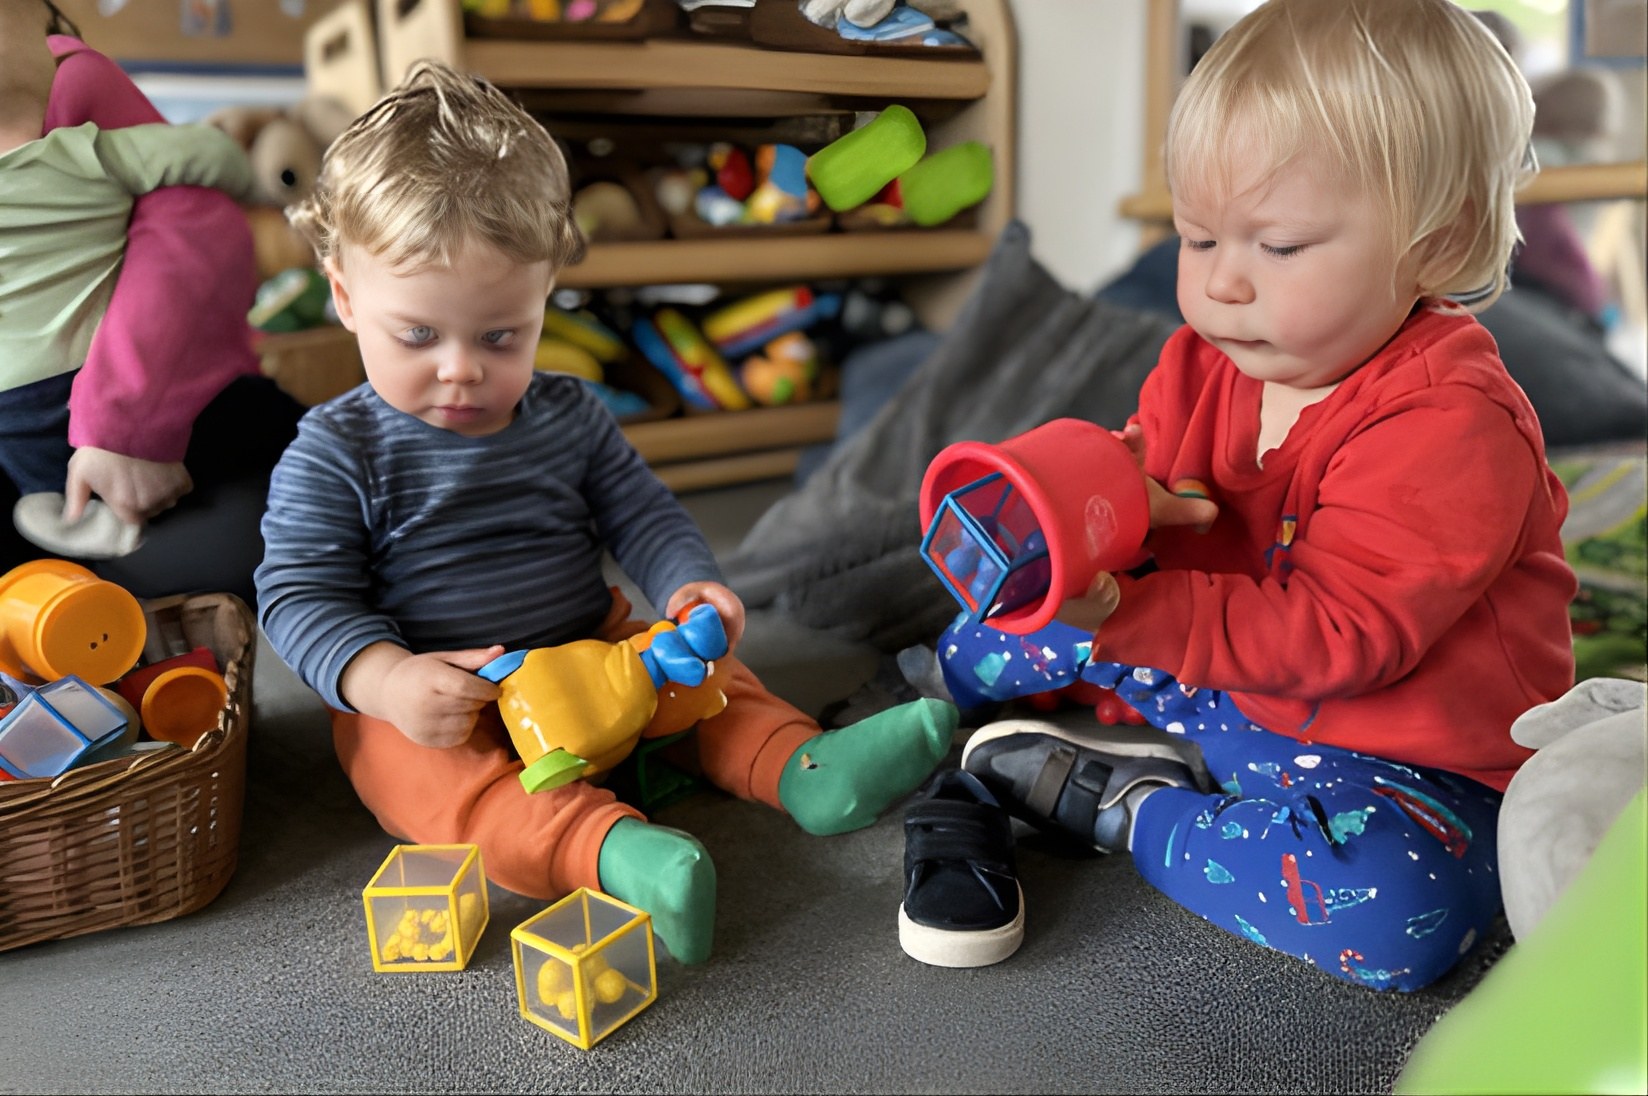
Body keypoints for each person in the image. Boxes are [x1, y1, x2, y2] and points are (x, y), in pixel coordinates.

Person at [931, 0, 1577, 991]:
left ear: (1436, 244)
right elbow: (1147, 481)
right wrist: (1097, 509)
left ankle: (1135, 806)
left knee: (1406, 911)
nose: (1224, 284)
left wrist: (1130, 614)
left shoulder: (1450, 422)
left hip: (1403, 757)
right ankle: (1132, 731)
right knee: (982, 637)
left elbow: (1340, 637)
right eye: (1197, 238)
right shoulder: (1205, 362)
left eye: (1275, 247)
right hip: (1230, 684)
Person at [256, 59, 957, 966]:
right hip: (450, 699)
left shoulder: (573, 412)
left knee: (713, 680)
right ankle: (618, 854)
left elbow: (643, 515)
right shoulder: (332, 452)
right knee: (431, 790)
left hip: (594, 650)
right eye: (418, 335)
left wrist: (690, 584)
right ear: (347, 298)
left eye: (501, 334)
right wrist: (384, 679)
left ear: (545, 299)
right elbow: (298, 598)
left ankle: (803, 768)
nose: (462, 367)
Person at [0, 0, 304, 606]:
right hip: (33, 466)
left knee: (276, 550)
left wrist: (126, 427)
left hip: (153, 421)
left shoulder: (71, 93)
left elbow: (195, 223)